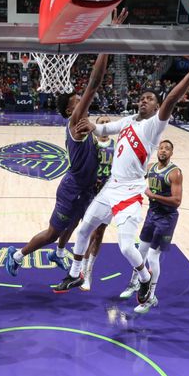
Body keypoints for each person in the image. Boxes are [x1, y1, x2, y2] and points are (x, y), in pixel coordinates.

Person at [52, 55, 189, 309]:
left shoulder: (153, 127)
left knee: (126, 247)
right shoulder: (128, 121)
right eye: (142, 97)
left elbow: (170, 99)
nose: (144, 100)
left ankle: (145, 279)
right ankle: (75, 273)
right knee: (83, 230)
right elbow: (104, 130)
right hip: (111, 186)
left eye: (150, 99)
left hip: (131, 191)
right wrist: (92, 126)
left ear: (157, 107)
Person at [5, 9, 128, 281]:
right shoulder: (75, 123)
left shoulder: (88, 124)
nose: (80, 100)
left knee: (75, 225)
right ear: (71, 108)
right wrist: (108, 40)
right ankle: (17, 255)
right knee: (52, 232)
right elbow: (94, 83)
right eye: (76, 100)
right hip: (72, 187)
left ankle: (59, 253)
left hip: (86, 188)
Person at [117, 139, 182, 314]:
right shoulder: (151, 167)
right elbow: (136, 179)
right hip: (151, 215)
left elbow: (177, 201)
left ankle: (151, 297)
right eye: (161, 148)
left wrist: (153, 195)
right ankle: (135, 283)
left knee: (153, 256)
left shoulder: (175, 173)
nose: (163, 151)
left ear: (171, 153)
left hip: (166, 218)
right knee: (140, 251)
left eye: (167, 149)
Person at [80, 115, 116, 291]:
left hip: (108, 193)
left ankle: (88, 271)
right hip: (90, 191)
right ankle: (79, 264)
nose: (105, 124)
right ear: (97, 125)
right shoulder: (91, 143)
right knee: (86, 230)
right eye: (102, 122)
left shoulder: (116, 146)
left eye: (108, 122)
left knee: (99, 232)